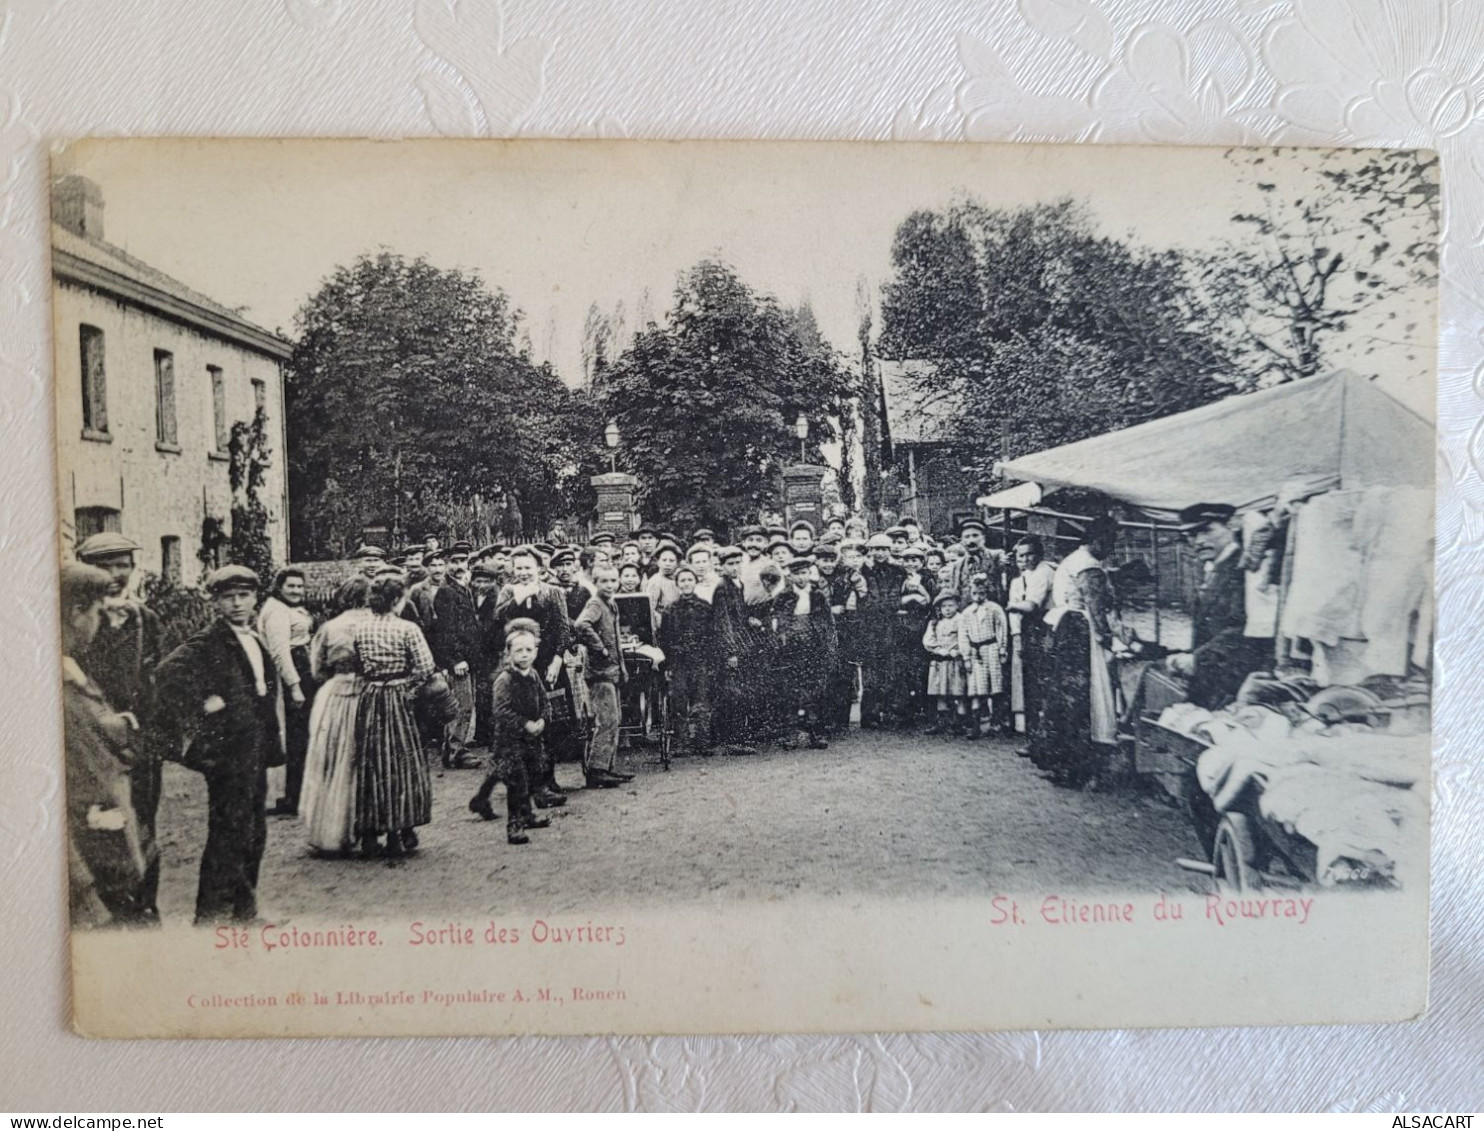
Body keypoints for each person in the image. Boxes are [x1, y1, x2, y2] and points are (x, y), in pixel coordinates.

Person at [156, 565, 282, 925]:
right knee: (228, 832)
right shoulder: (209, 641)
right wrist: (203, 702)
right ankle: (211, 918)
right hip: (228, 752)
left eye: (243, 596)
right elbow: (167, 674)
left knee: (254, 830)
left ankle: (245, 911)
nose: (237, 604)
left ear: (255, 598)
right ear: (216, 602)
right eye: (228, 597)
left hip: (254, 747)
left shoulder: (254, 638)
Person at [72, 532, 165, 923]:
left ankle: (145, 905)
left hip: (138, 741)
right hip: (91, 740)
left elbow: (156, 678)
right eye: (106, 565)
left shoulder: (146, 619)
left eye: (123, 564)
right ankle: (111, 911)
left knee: (144, 823)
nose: (116, 573)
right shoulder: (74, 621)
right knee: (102, 824)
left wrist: (152, 732)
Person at [61, 562, 149, 929]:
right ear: (76, 612)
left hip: (109, 849)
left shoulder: (72, 669)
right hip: (92, 869)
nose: (101, 620)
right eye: (97, 611)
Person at [1038, 517, 1131, 787]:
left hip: (1064, 627)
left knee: (1063, 695)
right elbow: (1096, 606)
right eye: (1110, 543)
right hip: (1081, 630)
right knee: (1086, 696)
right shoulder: (1088, 565)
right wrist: (1108, 639)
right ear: (1098, 540)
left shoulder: (1070, 560)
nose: (1111, 550)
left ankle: (1059, 760)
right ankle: (1077, 764)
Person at [351, 573, 437, 859]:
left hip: (371, 697)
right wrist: (409, 686)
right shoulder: (407, 629)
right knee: (402, 761)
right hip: (399, 697)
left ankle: (370, 831)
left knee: (372, 763)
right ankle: (400, 828)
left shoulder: (361, 629)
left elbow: (357, 664)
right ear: (398, 600)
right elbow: (425, 667)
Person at [1164, 503, 1269, 710]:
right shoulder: (1214, 567)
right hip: (1213, 677)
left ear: (1231, 526)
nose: (1198, 541)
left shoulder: (1246, 567)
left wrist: (1197, 659)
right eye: (1191, 535)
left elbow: (1245, 627)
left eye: (1206, 530)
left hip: (1238, 679)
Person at [492, 548, 573, 807]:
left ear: (539, 568)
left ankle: (547, 780)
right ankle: (527, 785)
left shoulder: (553, 592)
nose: (524, 573)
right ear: (513, 570)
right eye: (519, 568)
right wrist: (517, 598)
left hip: (548, 663)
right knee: (521, 724)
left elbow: (563, 629)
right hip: (520, 665)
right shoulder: (506, 593)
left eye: (529, 567)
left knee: (550, 722)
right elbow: (495, 621)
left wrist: (558, 660)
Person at [300, 575, 371, 855]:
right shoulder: (377, 623)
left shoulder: (330, 627)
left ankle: (333, 830)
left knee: (334, 760)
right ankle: (369, 826)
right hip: (370, 692)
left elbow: (316, 669)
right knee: (367, 759)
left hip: (337, 693)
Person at [468, 619, 554, 845]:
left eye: (529, 650)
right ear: (508, 653)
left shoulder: (534, 676)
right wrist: (525, 723)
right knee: (517, 781)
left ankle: (526, 814)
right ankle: (514, 824)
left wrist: (543, 719)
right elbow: (502, 711)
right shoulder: (504, 680)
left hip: (532, 740)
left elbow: (545, 701)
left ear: (536, 651)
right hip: (510, 741)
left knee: (532, 773)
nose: (524, 655)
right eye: (519, 651)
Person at [258, 567, 316, 817]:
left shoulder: (288, 608)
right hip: (293, 674)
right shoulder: (276, 611)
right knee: (296, 737)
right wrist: (294, 687)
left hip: (303, 668)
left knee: (302, 736)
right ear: (279, 586)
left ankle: (300, 792)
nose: (296, 591)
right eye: (291, 586)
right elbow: (280, 652)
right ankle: (293, 797)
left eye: (299, 586)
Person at [766, 556, 837, 749]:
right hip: (791, 647)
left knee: (816, 690)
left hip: (814, 645)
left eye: (804, 573)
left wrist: (828, 645)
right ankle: (791, 734)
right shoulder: (784, 596)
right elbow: (778, 621)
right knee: (791, 690)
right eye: (796, 573)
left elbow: (828, 622)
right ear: (790, 575)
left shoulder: (817, 595)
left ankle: (817, 733)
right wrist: (782, 638)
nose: (800, 578)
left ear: (810, 573)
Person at [573, 565, 634, 788]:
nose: (609, 585)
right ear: (596, 583)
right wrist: (599, 648)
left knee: (614, 718)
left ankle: (607, 766)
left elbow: (616, 641)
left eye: (613, 581)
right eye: (604, 581)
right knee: (606, 720)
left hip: (612, 671)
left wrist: (622, 668)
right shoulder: (596, 603)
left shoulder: (611, 604)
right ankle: (596, 770)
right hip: (600, 673)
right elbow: (581, 625)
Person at [429, 542, 482, 768]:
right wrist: (454, 660)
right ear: (447, 564)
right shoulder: (446, 592)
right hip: (458, 661)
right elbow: (445, 631)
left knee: (466, 703)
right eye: (455, 562)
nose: (460, 566)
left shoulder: (463, 588)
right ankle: (455, 751)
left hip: (467, 658)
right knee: (462, 705)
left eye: (464, 561)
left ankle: (455, 747)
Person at [658, 565, 717, 756]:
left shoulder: (705, 608)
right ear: (677, 584)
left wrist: (709, 661)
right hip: (678, 662)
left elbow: (711, 636)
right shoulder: (670, 610)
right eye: (682, 580)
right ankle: (682, 743)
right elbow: (665, 640)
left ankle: (703, 742)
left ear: (695, 582)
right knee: (679, 700)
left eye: (689, 580)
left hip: (700, 661)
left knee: (701, 701)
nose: (686, 584)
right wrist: (668, 664)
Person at [1006, 536, 1057, 743]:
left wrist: (1010, 606)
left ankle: (1040, 737)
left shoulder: (1043, 573)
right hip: (1032, 629)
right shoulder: (1028, 575)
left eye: (1030, 554)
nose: (1026, 559)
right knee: (1032, 682)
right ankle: (1035, 735)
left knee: (1040, 682)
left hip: (1043, 628)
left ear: (1039, 554)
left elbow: (1031, 606)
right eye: (1022, 555)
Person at [858, 533, 906, 729]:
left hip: (892, 627)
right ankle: (870, 715)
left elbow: (896, 597)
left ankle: (891, 713)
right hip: (870, 627)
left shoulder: (898, 571)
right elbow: (865, 600)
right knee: (871, 672)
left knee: (892, 670)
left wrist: (889, 605)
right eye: (876, 549)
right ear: (870, 551)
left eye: (884, 549)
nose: (880, 553)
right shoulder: (863, 571)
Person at [959, 573, 1010, 739]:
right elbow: (963, 635)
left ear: (987, 592)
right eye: (974, 593)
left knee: (996, 686)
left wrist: (1002, 650)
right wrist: (966, 656)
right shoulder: (967, 613)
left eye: (981, 593)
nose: (978, 597)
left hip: (992, 648)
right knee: (977, 688)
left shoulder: (994, 609)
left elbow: (1002, 630)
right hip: (976, 652)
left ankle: (997, 723)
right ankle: (977, 724)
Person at [923, 590, 968, 735]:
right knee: (940, 692)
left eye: (951, 605)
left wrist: (958, 650)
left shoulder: (961, 620)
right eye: (944, 607)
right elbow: (928, 640)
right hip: (940, 661)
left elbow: (964, 639)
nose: (947, 609)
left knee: (958, 691)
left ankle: (959, 723)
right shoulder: (935, 622)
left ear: (957, 606)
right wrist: (938, 650)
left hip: (955, 661)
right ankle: (941, 722)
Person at [945, 519, 999, 605]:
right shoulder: (958, 566)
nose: (971, 541)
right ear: (962, 541)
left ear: (983, 538)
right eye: (967, 537)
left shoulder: (996, 557)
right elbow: (955, 593)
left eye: (975, 536)